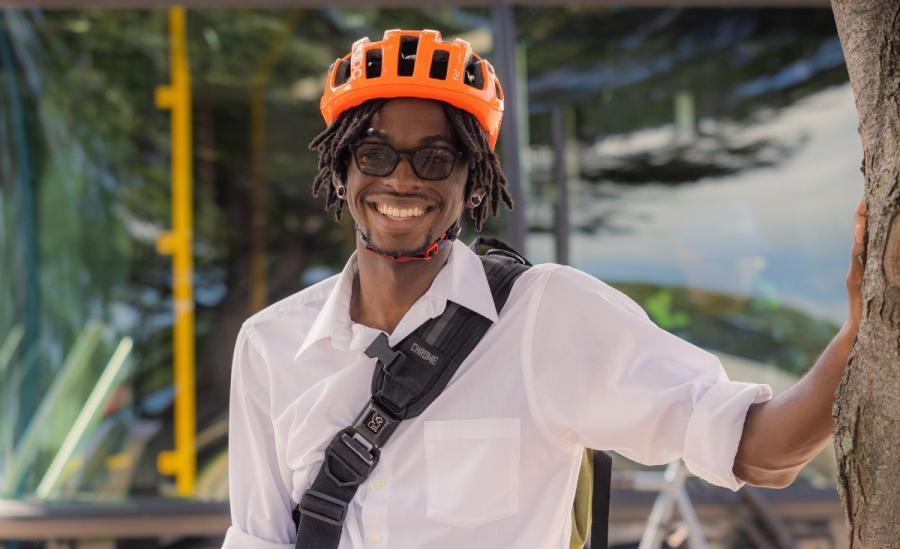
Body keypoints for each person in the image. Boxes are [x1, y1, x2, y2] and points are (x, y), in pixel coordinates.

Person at [222, 29, 866, 549]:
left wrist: (866, 331)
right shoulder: (270, 347)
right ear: (341, 171)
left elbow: (761, 452)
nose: (403, 179)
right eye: (375, 154)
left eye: (437, 159)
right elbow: (260, 539)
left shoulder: (547, 316)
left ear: (473, 184)